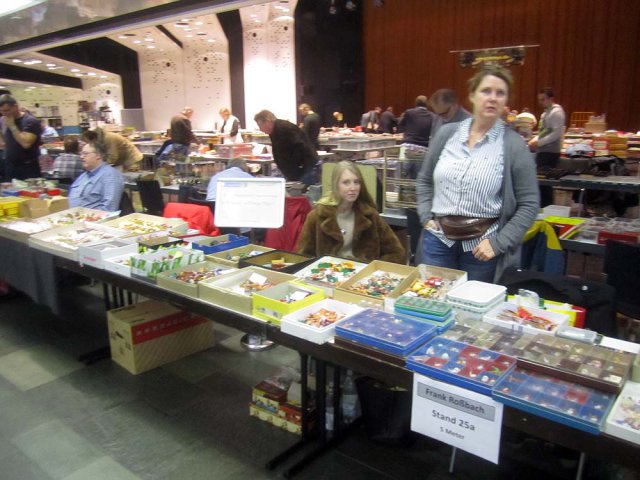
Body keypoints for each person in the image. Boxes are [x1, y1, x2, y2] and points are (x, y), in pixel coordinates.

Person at [416, 65, 539, 283]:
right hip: (438, 241)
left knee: (473, 304)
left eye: (500, 93)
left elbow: (529, 204)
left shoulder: (513, 145)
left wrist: (499, 243)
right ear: (472, 95)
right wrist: (426, 215)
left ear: (506, 101)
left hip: (482, 249)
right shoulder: (446, 135)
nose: (492, 98)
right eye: (486, 91)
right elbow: (424, 180)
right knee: (432, 299)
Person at [297, 160, 405, 264]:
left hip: (363, 275)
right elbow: (303, 257)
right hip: (327, 274)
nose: (353, 188)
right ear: (336, 185)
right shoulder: (316, 217)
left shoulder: (371, 216)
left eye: (356, 182)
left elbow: (396, 252)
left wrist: (374, 270)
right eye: (346, 183)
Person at [398, 95, 435, 263]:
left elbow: (400, 124)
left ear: (415, 103)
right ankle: (415, 201)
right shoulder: (432, 116)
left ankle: (402, 201)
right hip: (423, 151)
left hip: (406, 148)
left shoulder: (409, 112)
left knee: (402, 178)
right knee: (419, 182)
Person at [254, 109, 318, 184]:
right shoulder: (274, 130)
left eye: (260, 125)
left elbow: (301, 146)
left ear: (268, 121)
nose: (260, 129)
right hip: (297, 170)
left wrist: (297, 167)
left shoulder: (283, 128)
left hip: (304, 169)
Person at [528, 88, 566, 207]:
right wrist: (535, 140)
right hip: (543, 151)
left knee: (546, 184)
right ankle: (542, 208)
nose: (540, 102)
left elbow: (556, 134)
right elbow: (544, 132)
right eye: (539, 100)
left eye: (543, 99)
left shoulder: (557, 113)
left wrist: (539, 142)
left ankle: (547, 208)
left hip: (550, 152)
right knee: (541, 184)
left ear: (551, 99)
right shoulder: (545, 114)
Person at [68, 141, 124, 212]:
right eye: (81, 154)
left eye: (85, 154)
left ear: (98, 155)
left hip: (92, 218)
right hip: (71, 215)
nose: (81, 157)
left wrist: (87, 216)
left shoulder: (110, 175)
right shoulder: (83, 175)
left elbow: (109, 208)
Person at [0, 94, 42, 180]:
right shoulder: (3, 120)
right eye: (1, 111)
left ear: (15, 107)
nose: (4, 114)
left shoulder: (30, 121)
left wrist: (12, 126)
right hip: (10, 167)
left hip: (27, 167)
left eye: (7, 110)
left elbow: (26, 144)